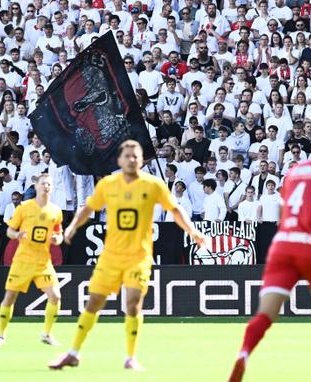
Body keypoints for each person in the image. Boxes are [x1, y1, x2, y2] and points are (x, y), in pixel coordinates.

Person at [49, 140, 207, 370]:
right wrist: (73, 226)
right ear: (120, 160)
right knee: (94, 302)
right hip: (110, 256)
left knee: (133, 303)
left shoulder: (153, 185)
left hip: (138, 256)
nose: (132, 159)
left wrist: (193, 231)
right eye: (128, 156)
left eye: (136, 156)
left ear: (141, 160)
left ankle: (130, 357)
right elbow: (89, 207)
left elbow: (174, 208)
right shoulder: (108, 184)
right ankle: (73, 353)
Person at [227, 121, 311, 382]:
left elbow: (286, 206)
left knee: (265, 314)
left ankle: (243, 354)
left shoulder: (296, 171)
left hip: (282, 244)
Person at [0, 174, 63, 347]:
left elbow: (58, 233)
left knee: (55, 296)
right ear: (36, 186)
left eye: (49, 184)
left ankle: (47, 334)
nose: (46, 186)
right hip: (23, 260)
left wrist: (58, 239)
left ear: (52, 187)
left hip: (43, 262)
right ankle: (1, 335)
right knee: (9, 297)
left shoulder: (56, 211)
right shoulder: (24, 207)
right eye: (43, 183)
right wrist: (17, 235)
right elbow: (9, 231)